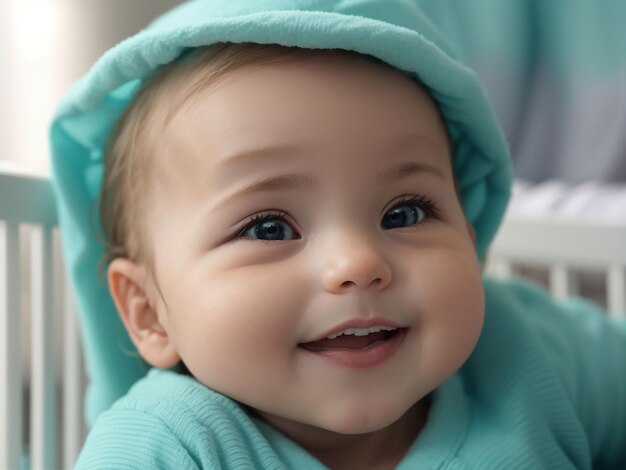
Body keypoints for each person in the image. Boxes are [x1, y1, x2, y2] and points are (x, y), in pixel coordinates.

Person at [48, 1, 626, 468]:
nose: (357, 260)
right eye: (269, 227)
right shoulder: (168, 447)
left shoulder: (524, 354)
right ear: (148, 311)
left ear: (470, 241)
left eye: (405, 213)